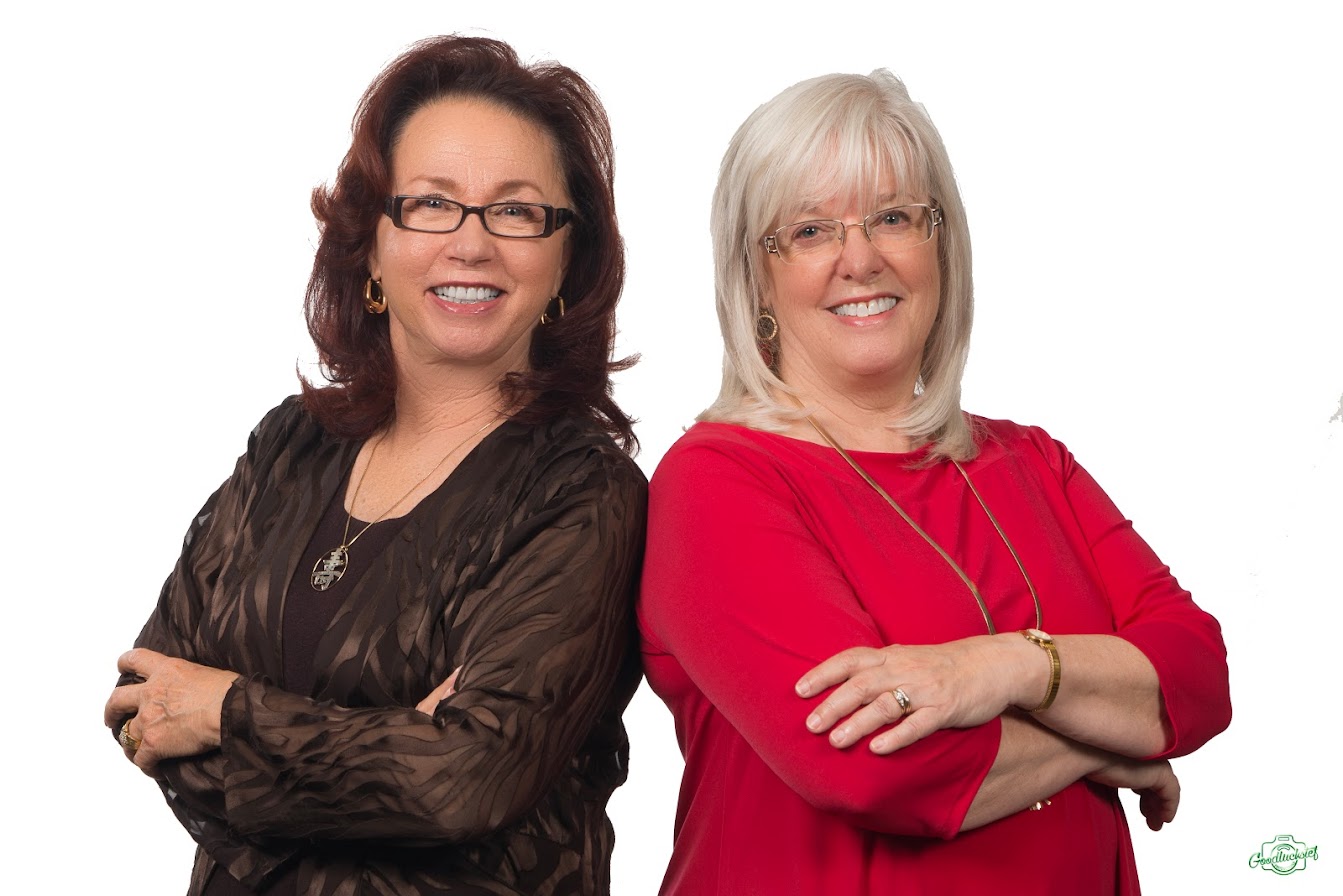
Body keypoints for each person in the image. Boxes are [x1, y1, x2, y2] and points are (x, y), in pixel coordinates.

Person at [638, 70, 1231, 894]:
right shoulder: (717, 483)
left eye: (892, 217)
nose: (859, 258)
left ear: (939, 244)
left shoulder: (1032, 462)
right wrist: (1109, 741)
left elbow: (1196, 676)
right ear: (756, 277)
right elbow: (868, 768)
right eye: (809, 231)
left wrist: (1004, 670)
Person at [103, 36, 645, 896]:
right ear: (370, 247)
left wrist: (229, 712)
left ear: (565, 266)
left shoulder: (584, 494)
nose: (471, 244)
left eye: (516, 211)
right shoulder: (291, 445)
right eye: (431, 203)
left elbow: (465, 778)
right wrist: (393, 747)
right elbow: (141, 704)